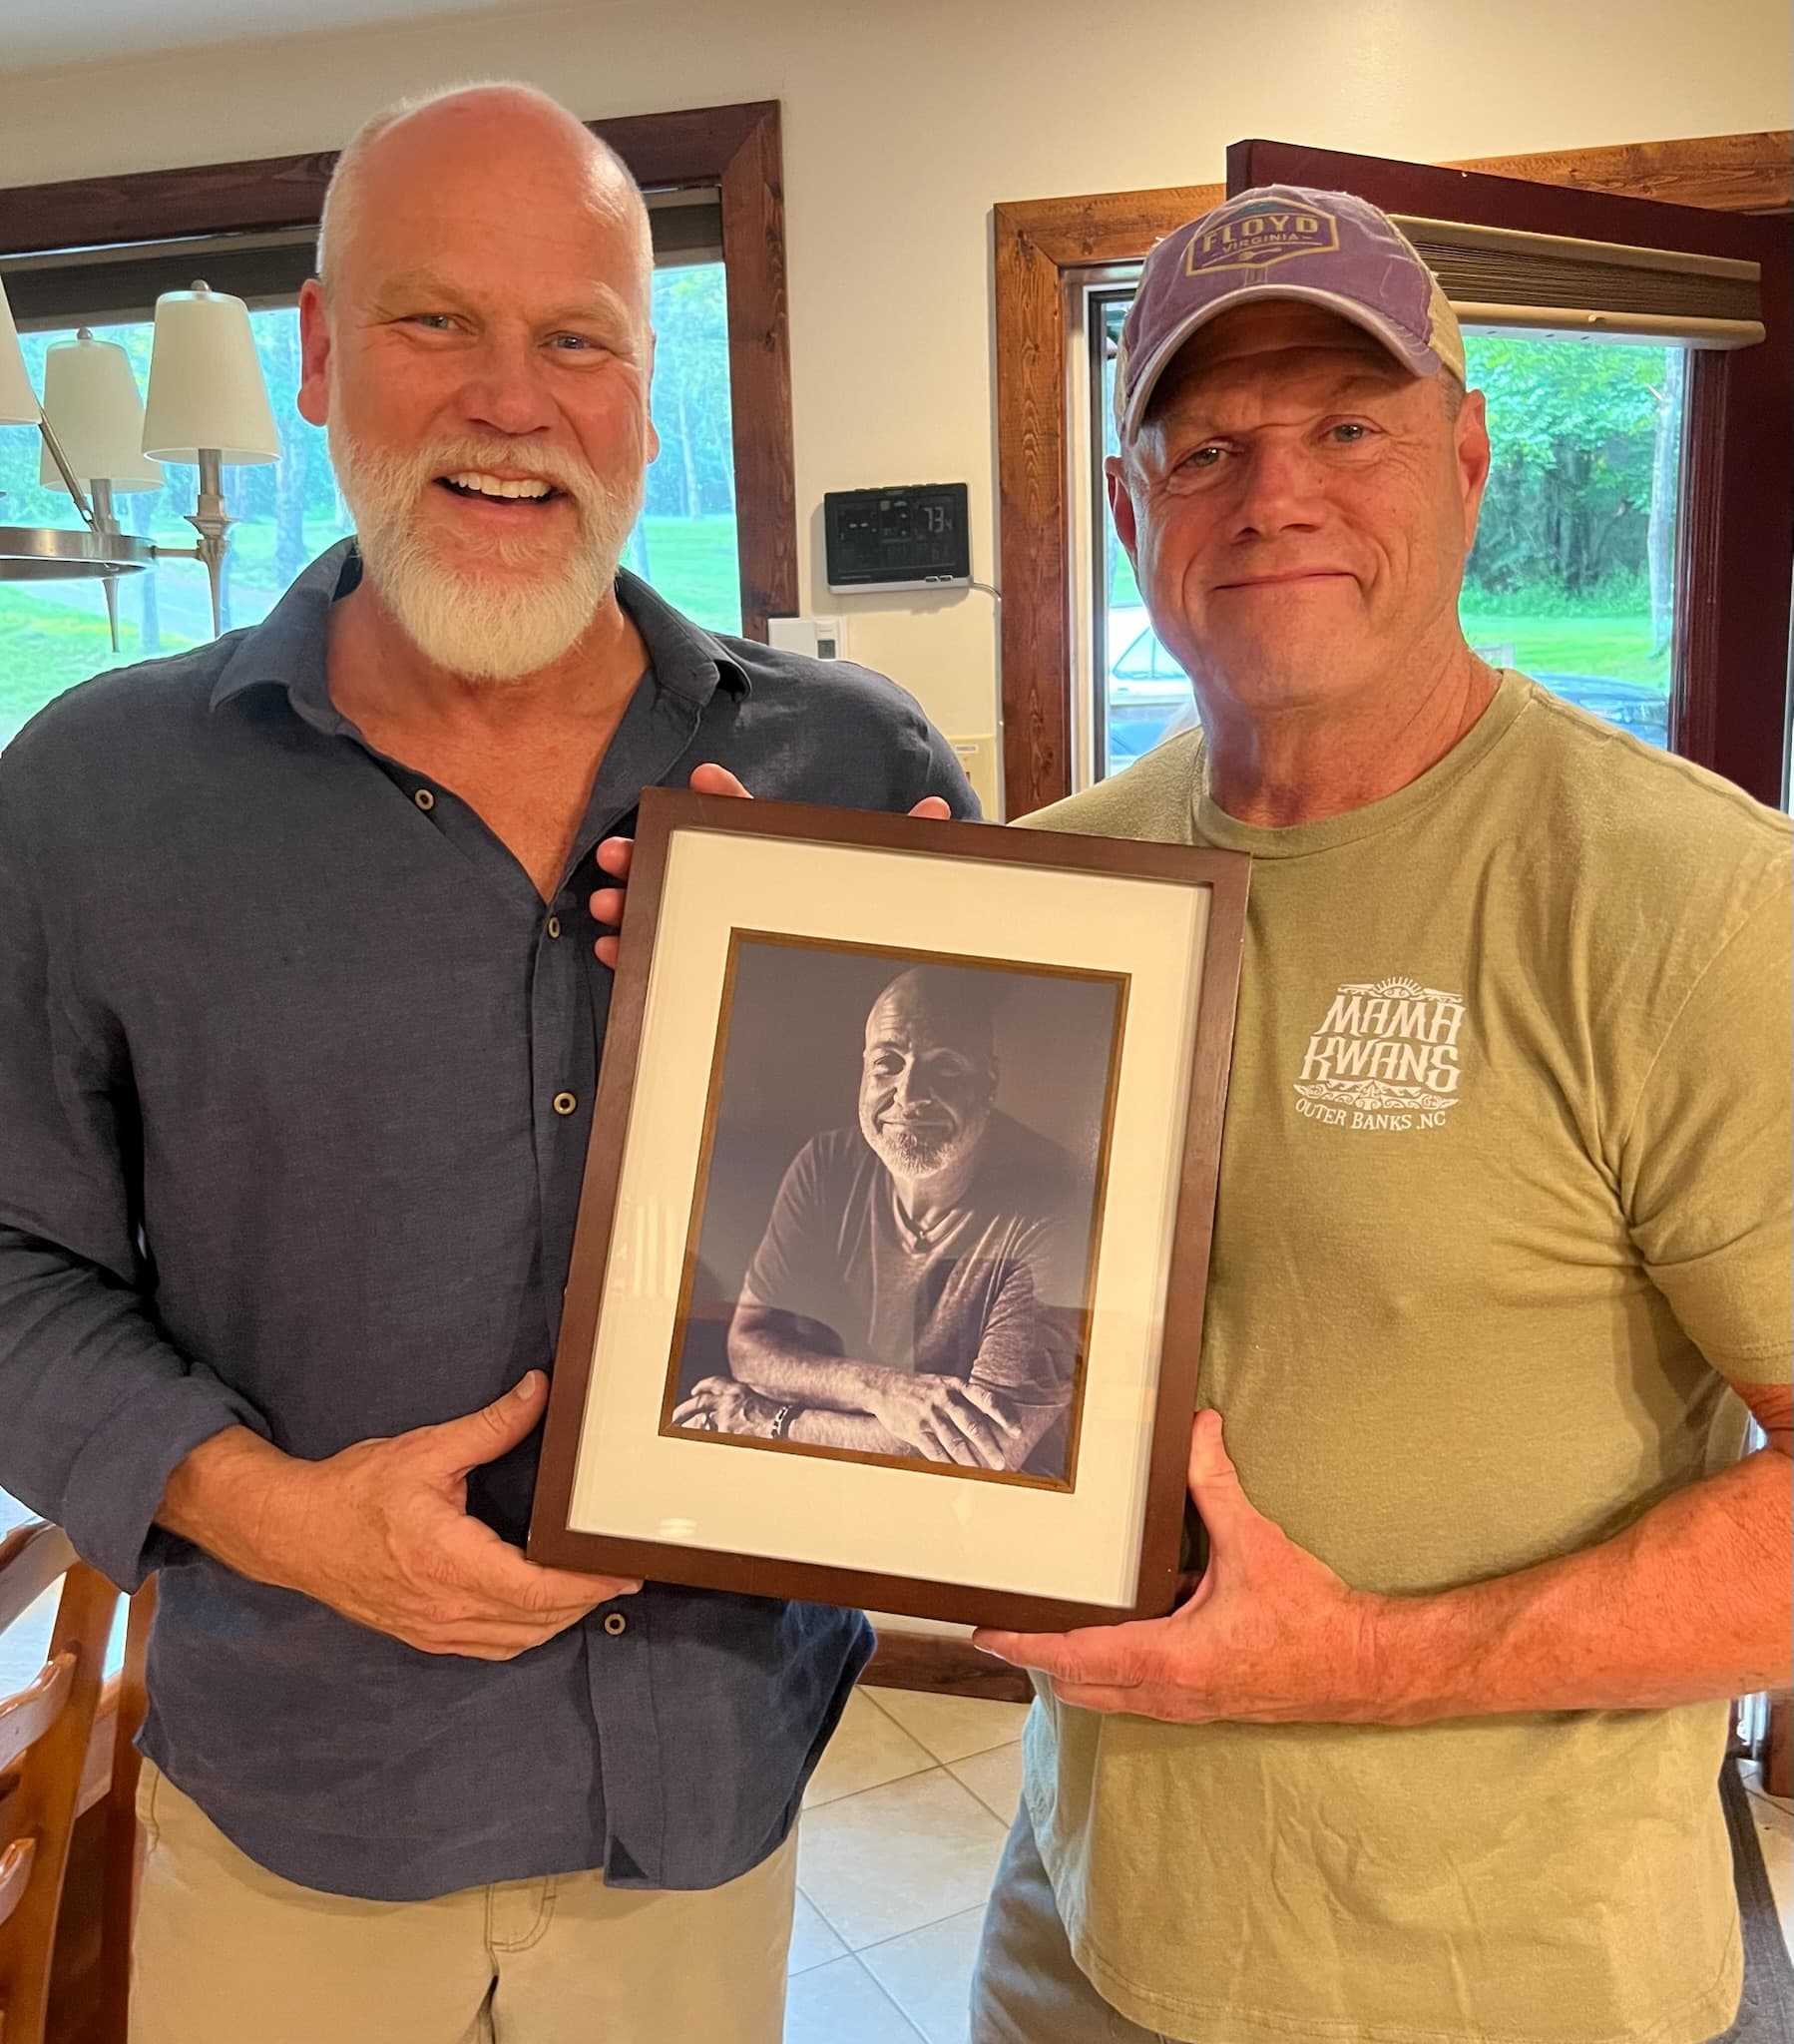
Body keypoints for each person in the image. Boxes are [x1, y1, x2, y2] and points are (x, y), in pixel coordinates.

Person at [0, 82, 973, 2044]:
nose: (506, 400)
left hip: (701, 1805)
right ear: (323, 355)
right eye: (436, 319)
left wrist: (924, 989)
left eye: (578, 338)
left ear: (642, 379)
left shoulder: (856, 772)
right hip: (297, 1817)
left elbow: (987, 1213)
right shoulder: (91, 798)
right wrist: (274, 1508)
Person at [959, 186, 1792, 2044]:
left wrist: (1352, 1667)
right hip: (1084, 1928)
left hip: (1512, 1979)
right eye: (1205, 448)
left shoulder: (1691, 899)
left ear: (1468, 459)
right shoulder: (1047, 892)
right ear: (1125, 512)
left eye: (1348, 424)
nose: (1275, 494)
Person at [673, 965, 1090, 1478]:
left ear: (989, 1082)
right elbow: (749, 1344)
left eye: (946, 1068)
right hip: (832, 1481)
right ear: (863, 1072)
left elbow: (982, 1453)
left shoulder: (1059, 1205)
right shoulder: (827, 1163)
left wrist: (769, 1421)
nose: (910, 1094)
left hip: (987, 1517)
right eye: (888, 1062)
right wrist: (883, 1390)